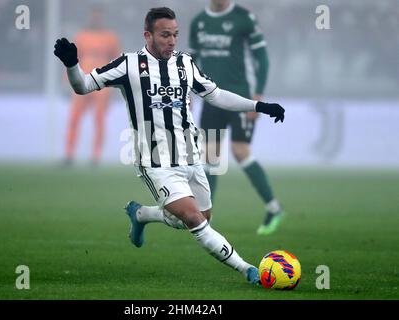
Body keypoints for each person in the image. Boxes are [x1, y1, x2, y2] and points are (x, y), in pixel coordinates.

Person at [54, 7, 284, 285]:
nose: (172, 41)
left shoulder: (185, 63)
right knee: (193, 219)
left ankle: (142, 214)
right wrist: (72, 66)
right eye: (165, 35)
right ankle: (248, 270)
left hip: (190, 156)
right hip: (155, 160)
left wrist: (258, 105)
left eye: (175, 35)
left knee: (199, 218)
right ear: (148, 35)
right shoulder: (127, 65)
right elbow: (83, 86)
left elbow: (217, 95)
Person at [189, 0, 285, 235]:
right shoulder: (199, 22)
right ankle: (205, 215)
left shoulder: (244, 18)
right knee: (209, 155)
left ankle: (274, 208)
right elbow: (190, 62)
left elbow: (262, 58)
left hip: (240, 98)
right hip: (211, 99)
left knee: (240, 151)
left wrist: (258, 95)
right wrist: (187, 93)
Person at [64, 7, 120, 165]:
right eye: (94, 16)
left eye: (99, 16)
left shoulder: (110, 37)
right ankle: (69, 154)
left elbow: (116, 62)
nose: (96, 19)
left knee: (99, 120)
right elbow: (72, 60)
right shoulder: (81, 36)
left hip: (102, 83)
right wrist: (68, 82)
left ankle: (96, 156)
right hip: (81, 81)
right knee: (74, 119)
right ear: (90, 17)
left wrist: (116, 84)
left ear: (102, 17)